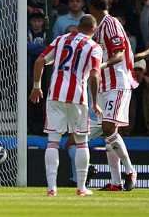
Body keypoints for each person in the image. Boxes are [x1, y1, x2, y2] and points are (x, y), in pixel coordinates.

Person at [30, 14, 102, 196]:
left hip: (55, 95)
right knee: (81, 142)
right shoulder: (93, 47)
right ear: (93, 31)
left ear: (78, 26)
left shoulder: (61, 39)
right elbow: (94, 75)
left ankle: (52, 188)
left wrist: (37, 87)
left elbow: (40, 61)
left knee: (53, 141)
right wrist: (94, 101)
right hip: (78, 98)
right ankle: (81, 187)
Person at [89, 0, 138, 191]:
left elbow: (119, 54)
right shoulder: (100, 27)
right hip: (105, 85)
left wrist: (101, 66)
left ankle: (131, 171)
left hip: (117, 82)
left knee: (109, 128)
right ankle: (116, 182)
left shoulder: (111, 23)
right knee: (110, 133)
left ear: (92, 8)